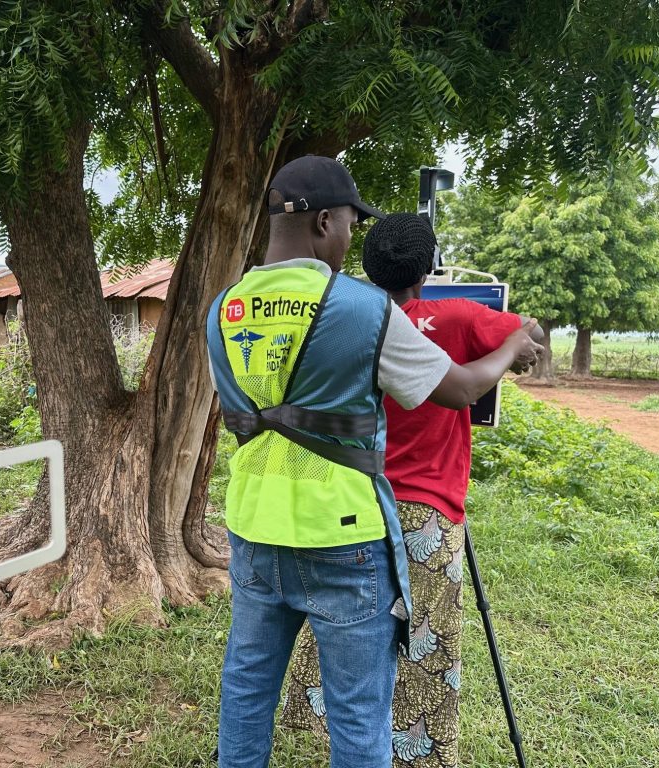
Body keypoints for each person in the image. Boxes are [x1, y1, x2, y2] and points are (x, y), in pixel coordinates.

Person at [206, 158, 543, 768]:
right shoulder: (363, 310)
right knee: (361, 712)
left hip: (253, 530)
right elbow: (461, 388)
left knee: (247, 689)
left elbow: (246, 418)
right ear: (325, 221)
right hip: (343, 538)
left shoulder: (222, 310)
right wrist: (514, 347)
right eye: (347, 227)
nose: (347, 242)